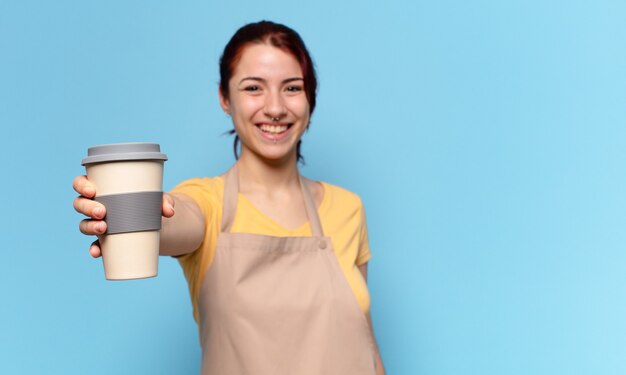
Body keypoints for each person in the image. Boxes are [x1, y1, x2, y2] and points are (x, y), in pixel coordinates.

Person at [73, 20, 385, 375]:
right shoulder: (208, 202)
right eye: (254, 88)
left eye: (292, 88)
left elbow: (366, 344)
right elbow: (173, 219)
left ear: (310, 97)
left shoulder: (348, 209)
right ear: (225, 98)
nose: (275, 108)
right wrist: (122, 214)